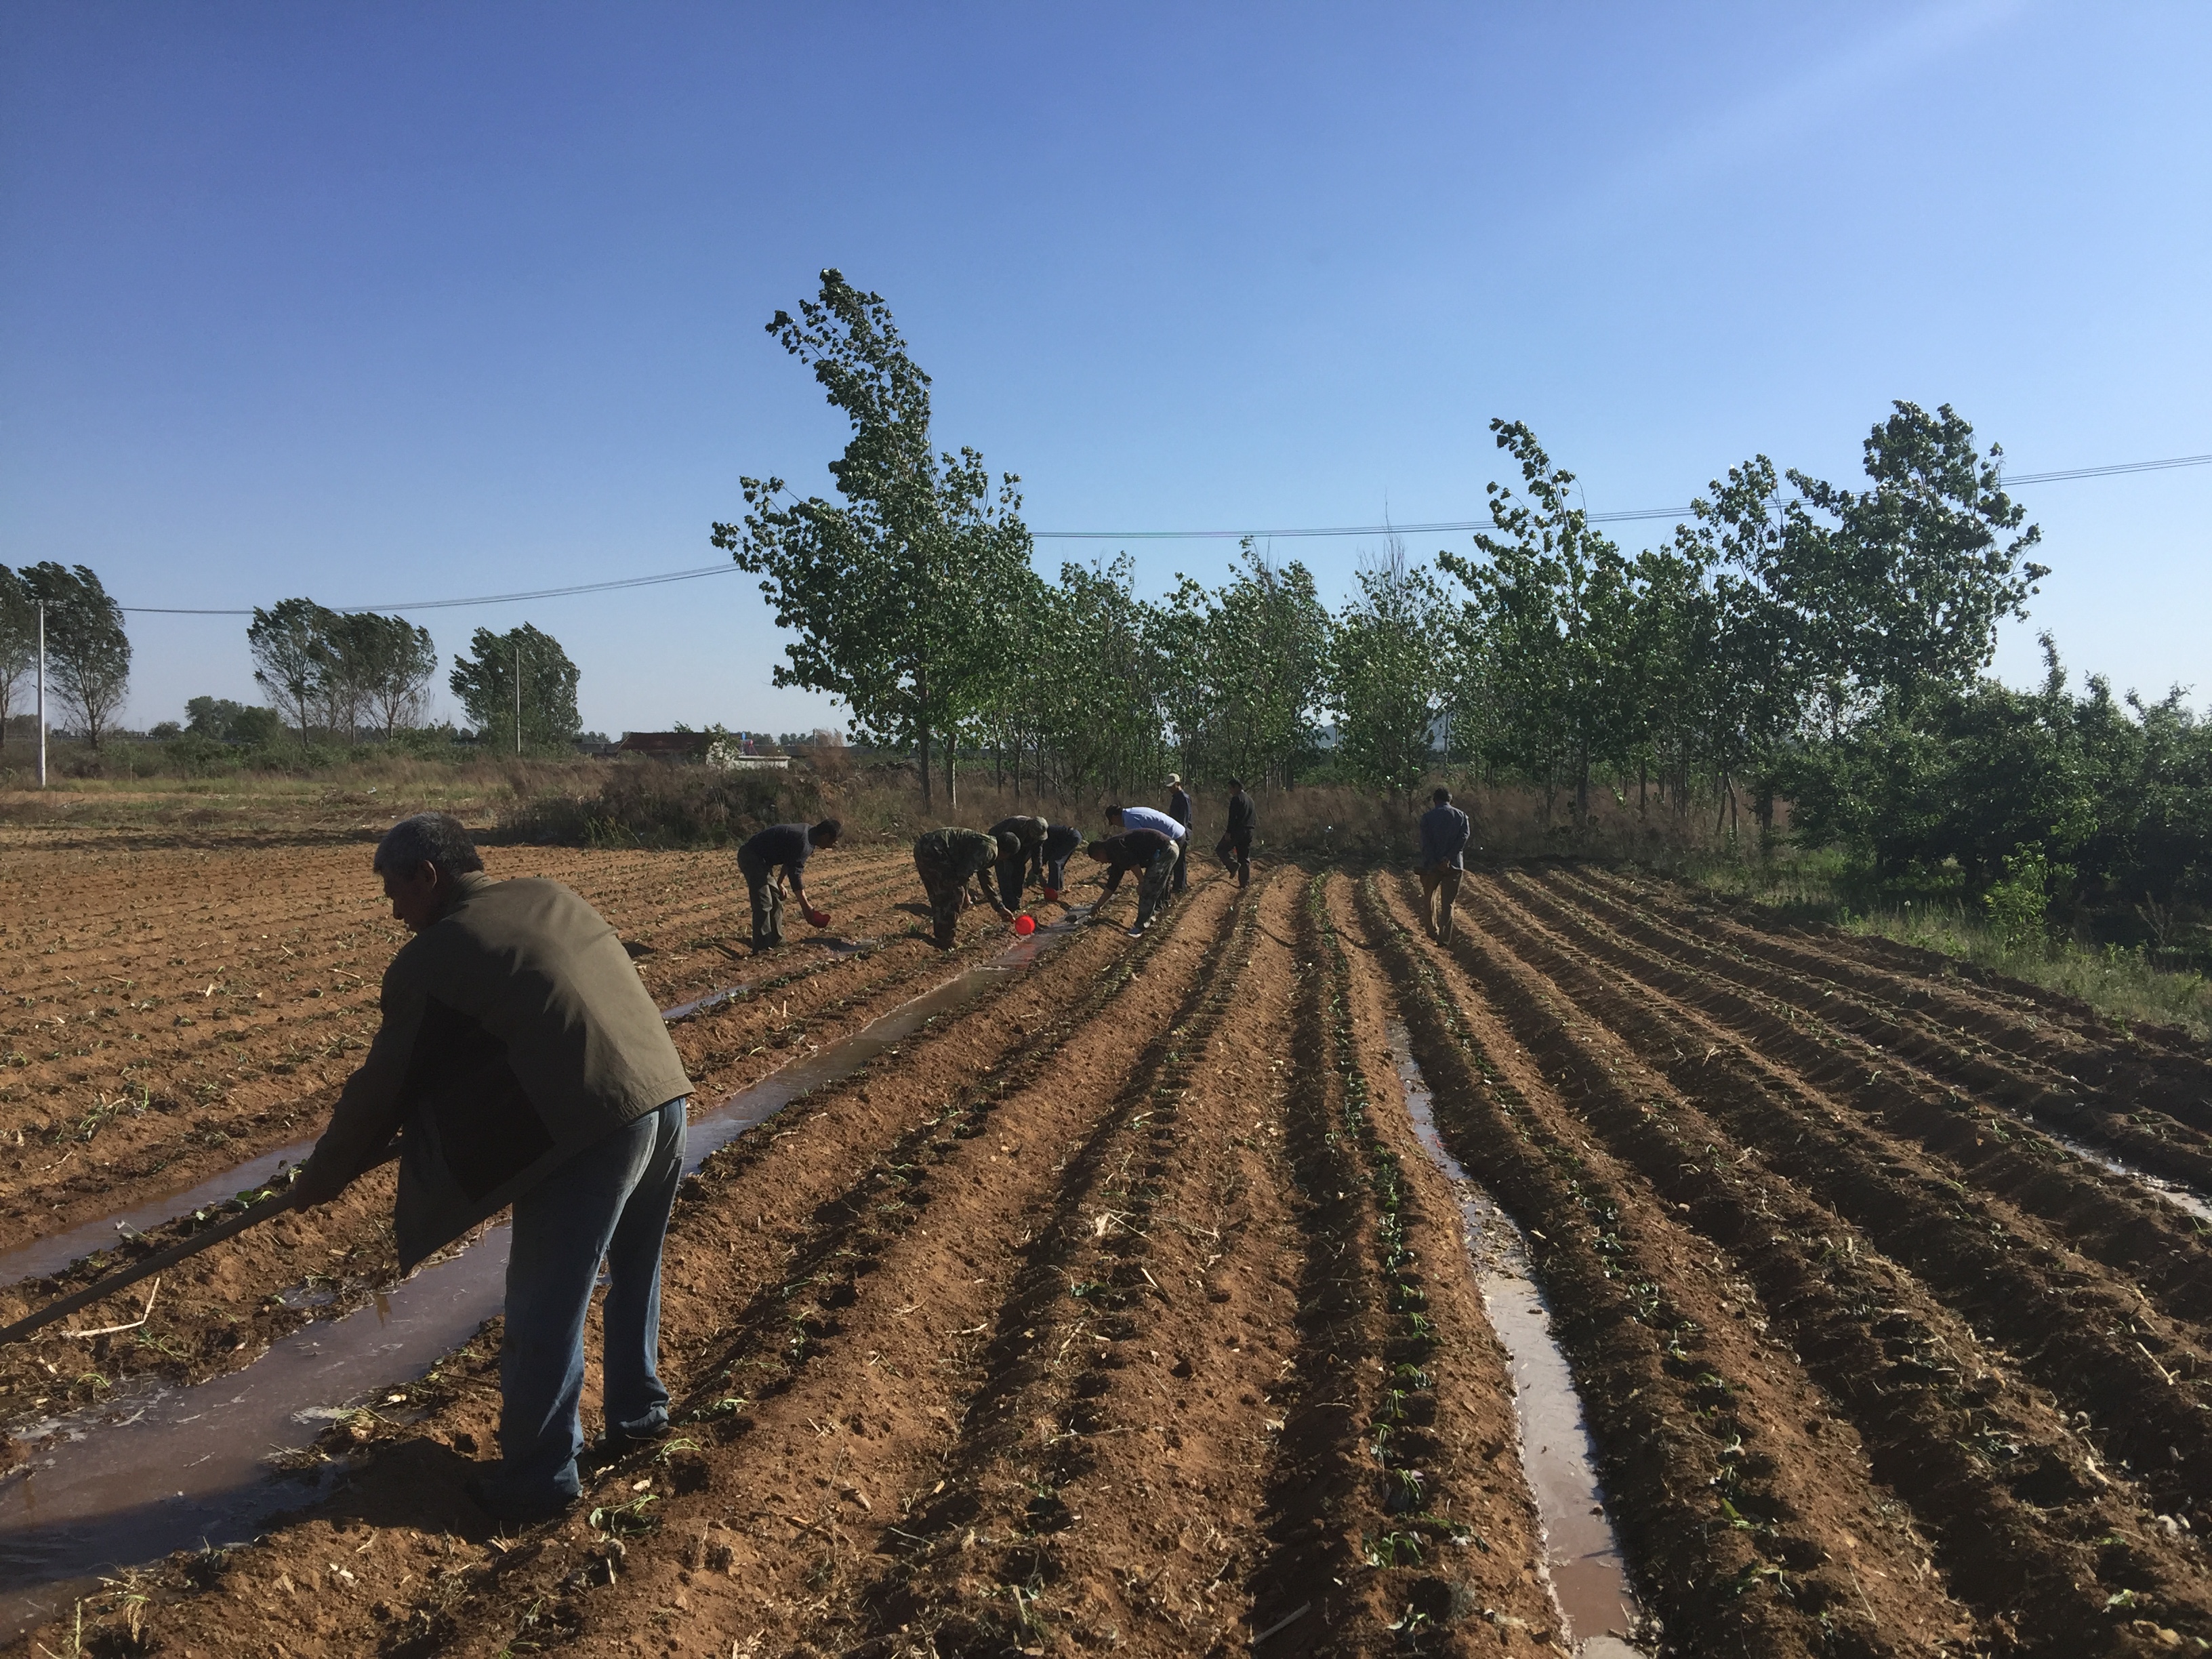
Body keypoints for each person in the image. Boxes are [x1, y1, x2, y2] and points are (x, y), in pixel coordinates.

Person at [289, 813, 694, 1525]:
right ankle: (638, 1416)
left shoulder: (435, 954)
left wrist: (326, 1173)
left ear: (428, 876)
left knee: (545, 1304)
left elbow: (384, 1086)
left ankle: (539, 1478)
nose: (394, 911)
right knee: (637, 1270)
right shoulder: (549, 893)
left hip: (593, 1126)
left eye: (395, 892)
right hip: (665, 1097)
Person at [737, 818, 841, 951]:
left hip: (763, 862)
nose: (832, 845)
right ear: (826, 836)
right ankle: (761, 947)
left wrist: (780, 883)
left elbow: (790, 861)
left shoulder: (809, 836)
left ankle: (776, 941)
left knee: (776, 898)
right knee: (764, 903)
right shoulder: (804, 841)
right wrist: (806, 906)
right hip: (751, 857)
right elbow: (795, 876)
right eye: (833, 841)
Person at [912, 826, 1015, 947]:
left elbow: (986, 880)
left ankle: (942, 936)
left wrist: (1000, 908)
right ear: (1006, 853)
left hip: (923, 846)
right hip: (935, 850)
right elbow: (963, 873)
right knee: (955, 894)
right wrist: (966, 894)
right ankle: (947, 940)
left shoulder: (988, 845)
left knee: (939, 894)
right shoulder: (989, 850)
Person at [1085, 827, 1177, 935]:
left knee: (1147, 889)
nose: (1101, 863)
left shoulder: (1114, 847)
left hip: (1166, 850)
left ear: (1099, 853)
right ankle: (1149, 919)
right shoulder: (1114, 857)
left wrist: (1141, 882)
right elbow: (1112, 885)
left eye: (1098, 860)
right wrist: (1098, 905)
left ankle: (1140, 927)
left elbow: (1133, 863)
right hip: (1167, 849)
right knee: (1149, 888)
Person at [1418, 786, 1473, 943]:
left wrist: (1436, 861)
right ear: (1450, 800)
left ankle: (1431, 931)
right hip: (1454, 865)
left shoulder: (1427, 818)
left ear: (1435, 801)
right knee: (1448, 902)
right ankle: (1444, 938)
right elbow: (1463, 840)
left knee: (1429, 898)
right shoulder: (1462, 817)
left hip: (1431, 865)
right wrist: (1448, 858)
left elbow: (1426, 843)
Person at [987, 814, 1051, 910]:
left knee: (1019, 873)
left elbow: (1037, 852)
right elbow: (1005, 843)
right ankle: (1008, 906)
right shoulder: (1016, 825)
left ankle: (1016, 903)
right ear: (1029, 828)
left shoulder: (1039, 837)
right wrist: (1004, 858)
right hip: (1002, 845)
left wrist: (1038, 872)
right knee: (1005, 874)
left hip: (1020, 849)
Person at [1217, 778, 1256, 889]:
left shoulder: (1236, 799)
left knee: (1221, 849)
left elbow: (1232, 818)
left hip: (1238, 831)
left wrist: (1228, 832)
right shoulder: (1251, 800)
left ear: (1237, 787)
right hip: (1249, 831)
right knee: (1244, 857)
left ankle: (1233, 866)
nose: (1230, 791)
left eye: (1231, 788)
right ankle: (1245, 884)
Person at [1040, 823, 1085, 899]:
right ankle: (1059, 886)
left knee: (1055, 862)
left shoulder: (1046, 835)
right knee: (1060, 863)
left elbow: (1046, 853)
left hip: (1071, 837)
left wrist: (1039, 872)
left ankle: (1053, 891)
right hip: (1074, 836)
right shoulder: (1048, 833)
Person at [1165, 774, 1194, 893]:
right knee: (1177, 860)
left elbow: (1184, 819)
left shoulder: (1184, 798)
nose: (1169, 789)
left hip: (1182, 833)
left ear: (1178, 784)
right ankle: (1179, 885)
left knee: (1180, 859)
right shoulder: (1176, 797)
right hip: (1176, 832)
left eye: (1171, 786)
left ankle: (1180, 887)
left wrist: (1179, 834)